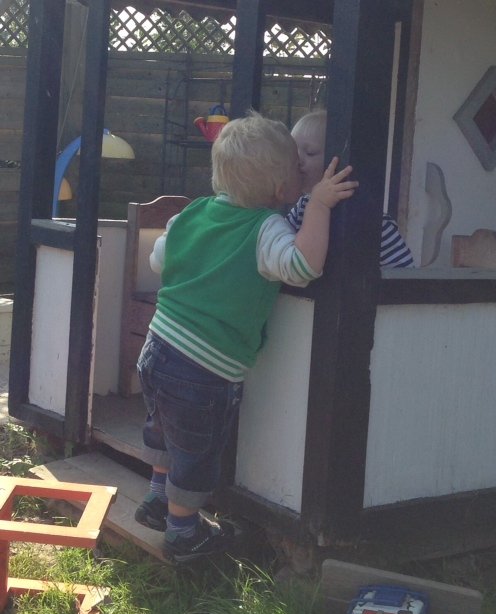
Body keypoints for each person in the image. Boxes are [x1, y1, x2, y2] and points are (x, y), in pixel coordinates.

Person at [134, 110, 359, 563]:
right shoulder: (266, 228)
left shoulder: (194, 212)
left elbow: (159, 258)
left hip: (156, 348)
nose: (302, 172)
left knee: (163, 430)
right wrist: (319, 206)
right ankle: (182, 534)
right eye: (296, 168)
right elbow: (303, 266)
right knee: (196, 453)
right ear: (280, 189)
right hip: (201, 369)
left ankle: (157, 499)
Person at [287, 109, 414, 267]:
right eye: (293, 153)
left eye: (310, 153)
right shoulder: (301, 208)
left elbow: (403, 272)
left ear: (339, 161)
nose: (298, 161)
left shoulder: (370, 218)